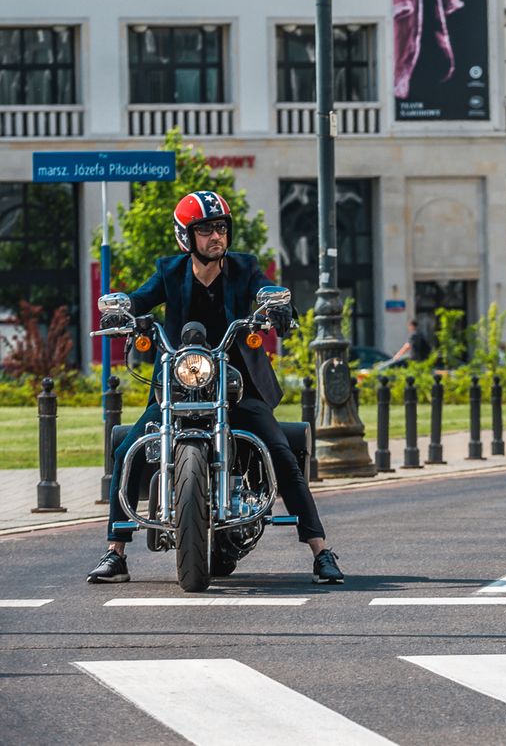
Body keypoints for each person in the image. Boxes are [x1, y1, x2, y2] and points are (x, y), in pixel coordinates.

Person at [87, 191, 344, 585]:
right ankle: (115, 552)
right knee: (127, 450)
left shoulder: (244, 268)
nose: (215, 237)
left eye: (220, 228)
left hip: (237, 387)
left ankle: (321, 550)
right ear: (185, 237)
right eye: (204, 230)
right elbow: (141, 298)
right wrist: (125, 310)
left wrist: (277, 308)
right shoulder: (170, 272)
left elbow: (265, 288)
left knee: (280, 450)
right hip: (179, 388)